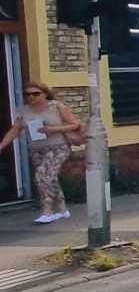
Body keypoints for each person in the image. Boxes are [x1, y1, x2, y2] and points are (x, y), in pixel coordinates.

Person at [2, 81, 81, 224]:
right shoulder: (24, 111)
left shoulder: (56, 106)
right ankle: (63, 210)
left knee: (42, 176)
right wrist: (1, 146)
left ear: (45, 94)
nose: (31, 97)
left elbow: (75, 124)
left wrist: (52, 129)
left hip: (58, 147)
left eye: (35, 94)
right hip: (37, 149)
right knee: (50, 177)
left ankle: (47, 211)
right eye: (28, 94)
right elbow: (14, 130)